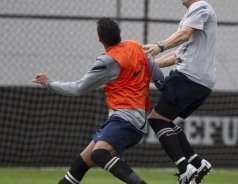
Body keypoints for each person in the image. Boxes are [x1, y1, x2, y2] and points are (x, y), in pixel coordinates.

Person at [33, 17, 164, 184]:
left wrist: (49, 83)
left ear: (99, 39)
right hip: (130, 119)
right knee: (79, 165)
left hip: (126, 119)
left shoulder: (108, 60)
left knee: (99, 154)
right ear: (119, 34)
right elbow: (158, 77)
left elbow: (78, 88)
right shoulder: (136, 47)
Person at [142, 0, 217, 184]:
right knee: (165, 120)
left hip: (189, 77)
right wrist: (149, 65)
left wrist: (159, 46)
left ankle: (185, 169)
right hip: (200, 81)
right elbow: (178, 55)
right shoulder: (194, 13)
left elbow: (184, 34)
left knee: (156, 120)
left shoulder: (200, 6)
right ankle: (197, 164)